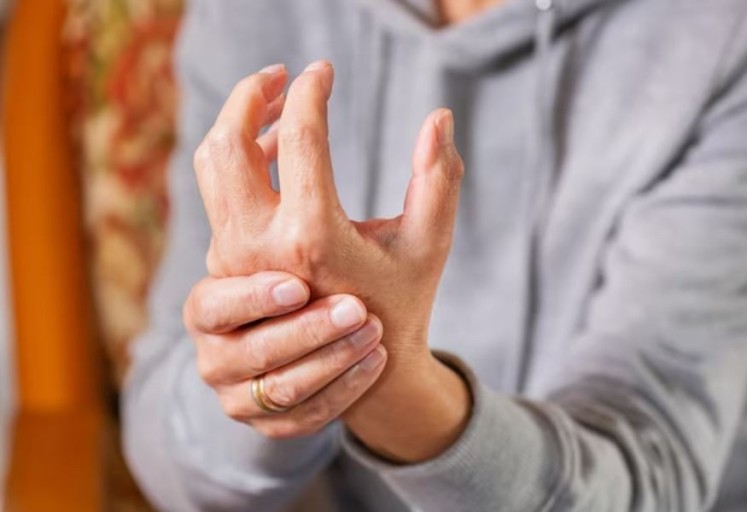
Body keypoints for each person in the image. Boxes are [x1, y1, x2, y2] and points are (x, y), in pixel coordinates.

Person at [122, 0, 747, 510]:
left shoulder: (719, 38)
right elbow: (167, 457)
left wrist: (381, 374)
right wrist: (266, 376)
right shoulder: (251, 11)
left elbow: (655, 477)